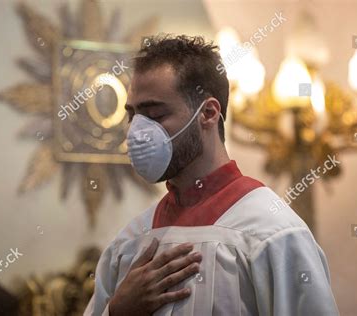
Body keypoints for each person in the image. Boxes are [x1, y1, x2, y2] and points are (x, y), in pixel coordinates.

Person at [84, 34, 339, 316]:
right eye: (133, 116)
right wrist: (118, 311)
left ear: (207, 112)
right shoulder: (130, 242)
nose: (137, 133)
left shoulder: (274, 233)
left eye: (155, 115)